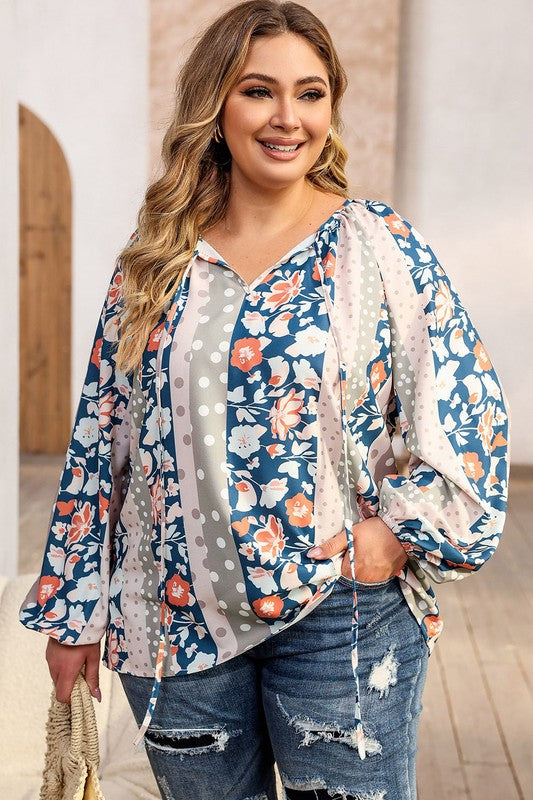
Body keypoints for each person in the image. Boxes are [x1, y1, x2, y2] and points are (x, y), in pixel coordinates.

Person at [19, 2, 511, 798]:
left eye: (310, 94)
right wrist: (73, 614)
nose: (288, 118)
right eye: (259, 91)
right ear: (214, 106)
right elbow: (100, 444)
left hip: (341, 619)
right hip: (173, 627)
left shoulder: (376, 246)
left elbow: (465, 413)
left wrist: (392, 536)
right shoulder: (157, 259)